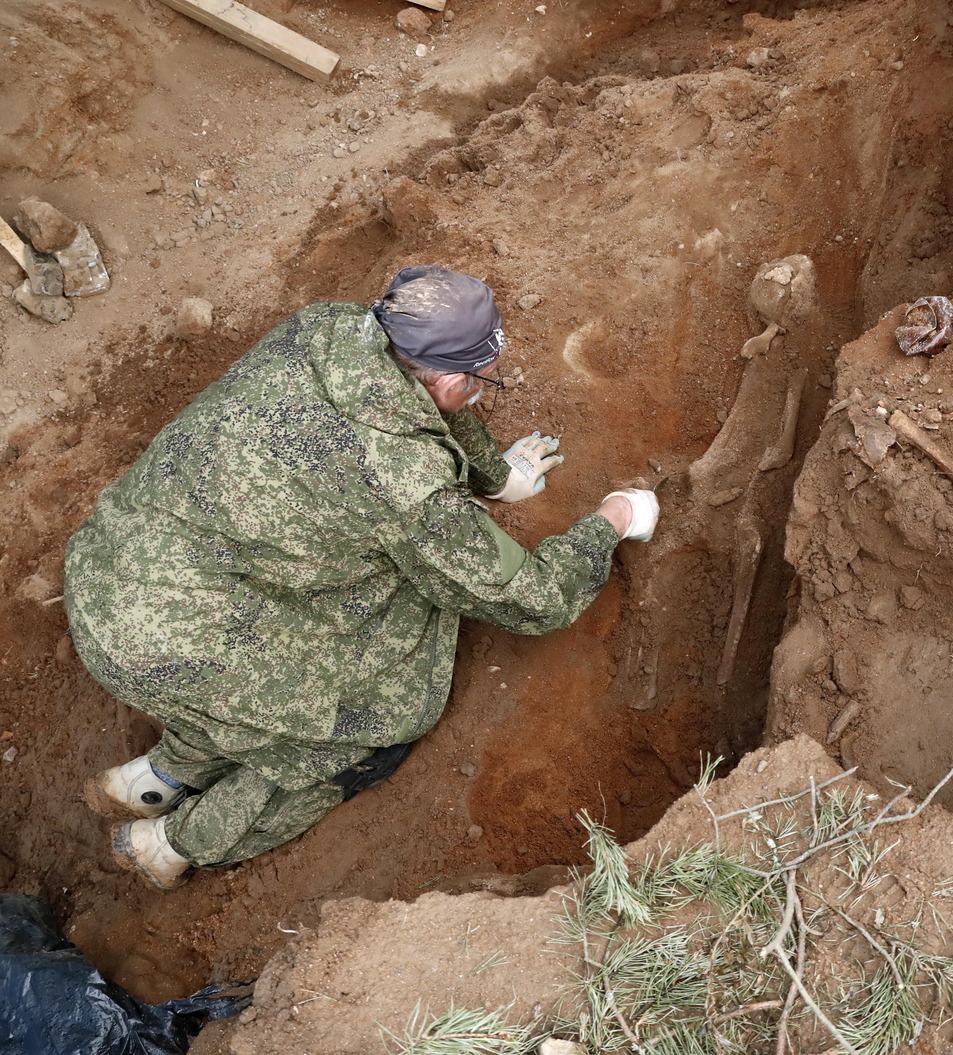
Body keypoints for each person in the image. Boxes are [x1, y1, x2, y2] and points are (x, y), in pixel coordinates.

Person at [63, 266, 659, 890]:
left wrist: (495, 478)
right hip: (174, 640)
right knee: (367, 724)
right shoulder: (402, 484)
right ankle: (170, 844)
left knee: (266, 674)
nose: (480, 390)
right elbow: (535, 599)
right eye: (481, 380)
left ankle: (157, 778)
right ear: (455, 378)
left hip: (116, 567)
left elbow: (421, 407)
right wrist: (612, 520)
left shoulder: (327, 329)